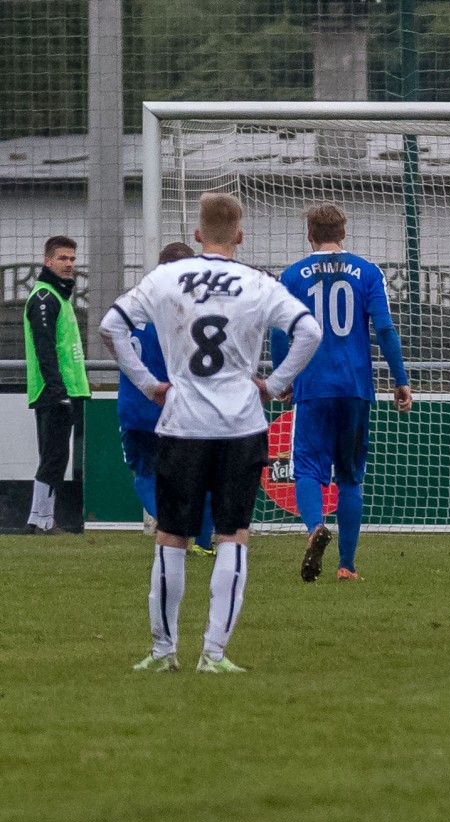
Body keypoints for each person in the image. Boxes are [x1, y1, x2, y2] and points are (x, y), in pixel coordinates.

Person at [101, 192, 322, 673]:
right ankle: (214, 655)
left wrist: (149, 384)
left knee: (171, 537)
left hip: (182, 424)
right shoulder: (258, 283)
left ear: (198, 235)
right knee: (233, 536)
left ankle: (163, 652)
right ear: (239, 236)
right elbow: (309, 332)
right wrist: (275, 384)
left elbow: (110, 327)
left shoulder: (165, 277)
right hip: (241, 425)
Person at [272, 202, 413, 583]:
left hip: (313, 384)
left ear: (309, 235)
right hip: (354, 386)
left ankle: (315, 527)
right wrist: (400, 379)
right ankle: (347, 566)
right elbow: (384, 328)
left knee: (307, 468)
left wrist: (283, 378)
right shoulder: (367, 272)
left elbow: (277, 331)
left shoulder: (292, 276)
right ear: (344, 234)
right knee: (350, 477)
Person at [117, 241, 216, 552]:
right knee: (203, 477)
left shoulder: (131, 304)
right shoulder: (191, 309)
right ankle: (199, 540)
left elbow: (110, 336)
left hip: (136, 407)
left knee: (144, 474)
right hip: (179, 406)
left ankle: (175, 531)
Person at [23, 235, 89, 535]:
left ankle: (42, 519)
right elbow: (45, 348)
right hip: (55, 391)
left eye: (73, 259)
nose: (69, 265)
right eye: (63, 258)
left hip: (67, 389)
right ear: (47, 260)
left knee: (57, 456)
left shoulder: (58, 296)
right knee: (52, 455)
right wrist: (56, 389)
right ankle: (41, 520)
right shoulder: (43, 298)